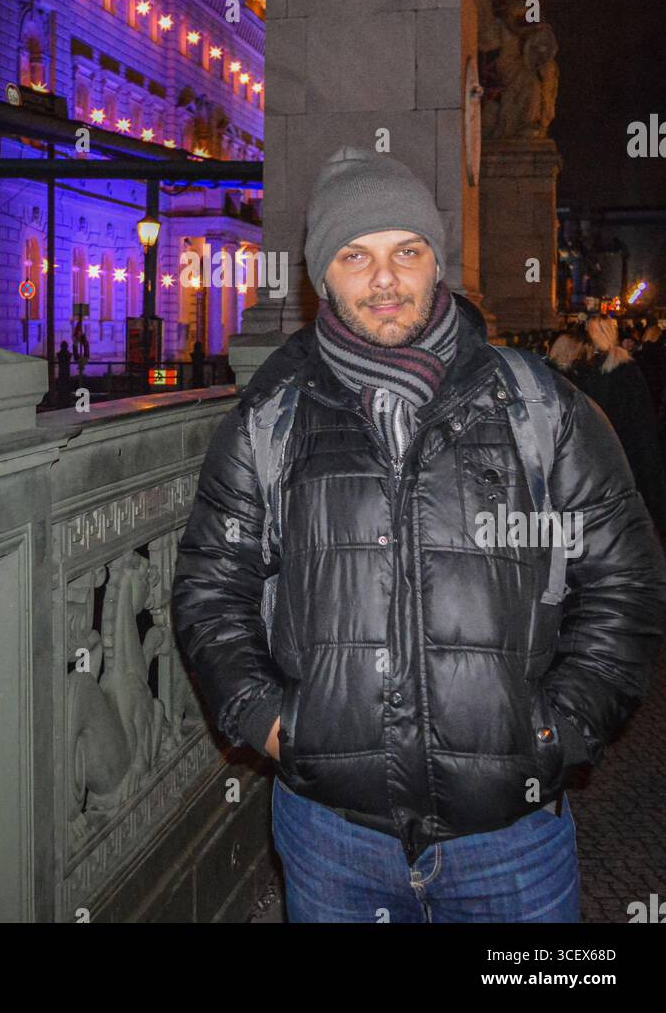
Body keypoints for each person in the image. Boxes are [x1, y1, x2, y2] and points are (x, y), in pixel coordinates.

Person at [172, 147, 666, 924]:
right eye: (355, 255)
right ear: (320, 277)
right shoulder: (273, 421)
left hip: (511, 837)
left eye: (407, 251)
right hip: (332, 836)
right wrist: (273, 726)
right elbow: (211, 587)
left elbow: (625, 580)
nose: (385, 279)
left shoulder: (539, 407)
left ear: (436, 264)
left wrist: (556, 730)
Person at [571, 316, 666, 540]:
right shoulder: (627, 368)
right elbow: (642, 415)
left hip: (601, 450)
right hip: (628, 448)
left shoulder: (591, 371)